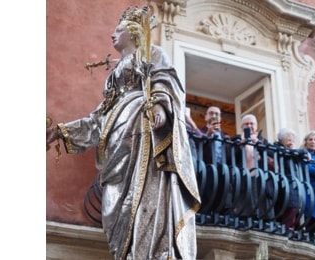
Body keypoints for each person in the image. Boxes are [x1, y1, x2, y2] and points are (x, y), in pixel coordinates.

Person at [46, 5, 200, 260]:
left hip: (143, 139)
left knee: (145, 206)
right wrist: (63, 131)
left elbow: (165, 80)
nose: (112, 34)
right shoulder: (112, 79)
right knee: (118, 213)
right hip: (116, 148)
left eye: (118, 29)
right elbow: (98, 120)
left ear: (133, 30)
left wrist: (160, 104)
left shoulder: (152, 54)